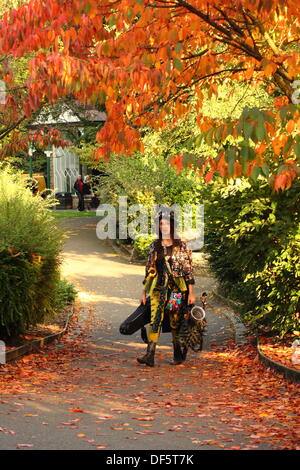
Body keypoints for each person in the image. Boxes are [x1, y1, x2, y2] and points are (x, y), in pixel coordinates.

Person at [137, 210, 195, 367]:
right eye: (161, 223)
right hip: (158, 288)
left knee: (175, 320)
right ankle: (150, 354)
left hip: (176, 290)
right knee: (155, 319)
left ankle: (178, 354)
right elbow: (149, 269)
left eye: (167, 223)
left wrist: (191, 292)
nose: (164, 226)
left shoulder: (180, 246)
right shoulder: (154, 246)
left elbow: (188, 269)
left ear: (172, 226)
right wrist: (144, 292)